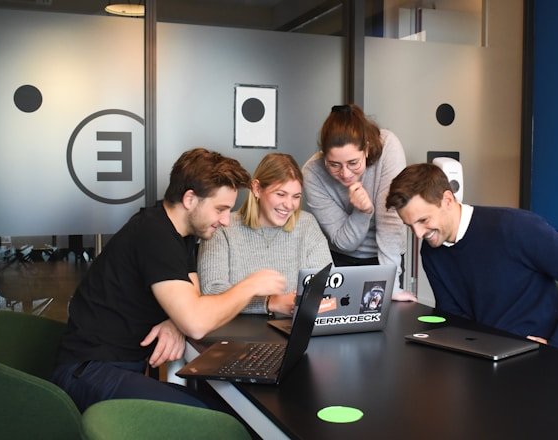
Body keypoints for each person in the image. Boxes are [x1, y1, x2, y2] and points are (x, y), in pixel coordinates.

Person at [51, 148, 287, 412]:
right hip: (88, 373)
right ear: (189, 199)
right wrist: (251, 285)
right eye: (220, 209)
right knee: (217, 418)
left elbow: (193, 298)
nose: (225, 221)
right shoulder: (154, 233)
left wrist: (177, 320)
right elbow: (197, 323)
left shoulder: (180, 234)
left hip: (115, 369)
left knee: (225, 409)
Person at [385, 163, 558, 350]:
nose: (418, 234)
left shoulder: (514, 227)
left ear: (448, 200)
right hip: (485, 353)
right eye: (409, 226)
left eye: (423, 220)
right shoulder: (432, 252)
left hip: (534, 356)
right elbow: (454, 317)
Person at [302, 104, 415, 302]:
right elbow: (344, 241)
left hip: (387, 259)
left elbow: (391, 222)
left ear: (368, 149)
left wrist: (392, 287)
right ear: (323, 155)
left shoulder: (388, 146)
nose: (345, 174)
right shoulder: (312, 173)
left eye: (353, 163)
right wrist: (362, 212)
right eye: (334, 165)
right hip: (339, 259)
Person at [198, 153, 332, 315]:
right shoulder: (222, 227)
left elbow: (329, 285)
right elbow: (212, 291)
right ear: (257, 189)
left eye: (296, 197)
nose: (289, 205)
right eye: (280, 194)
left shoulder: (307, 225)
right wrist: (269, 302)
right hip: (235, 330)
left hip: (291, 328)